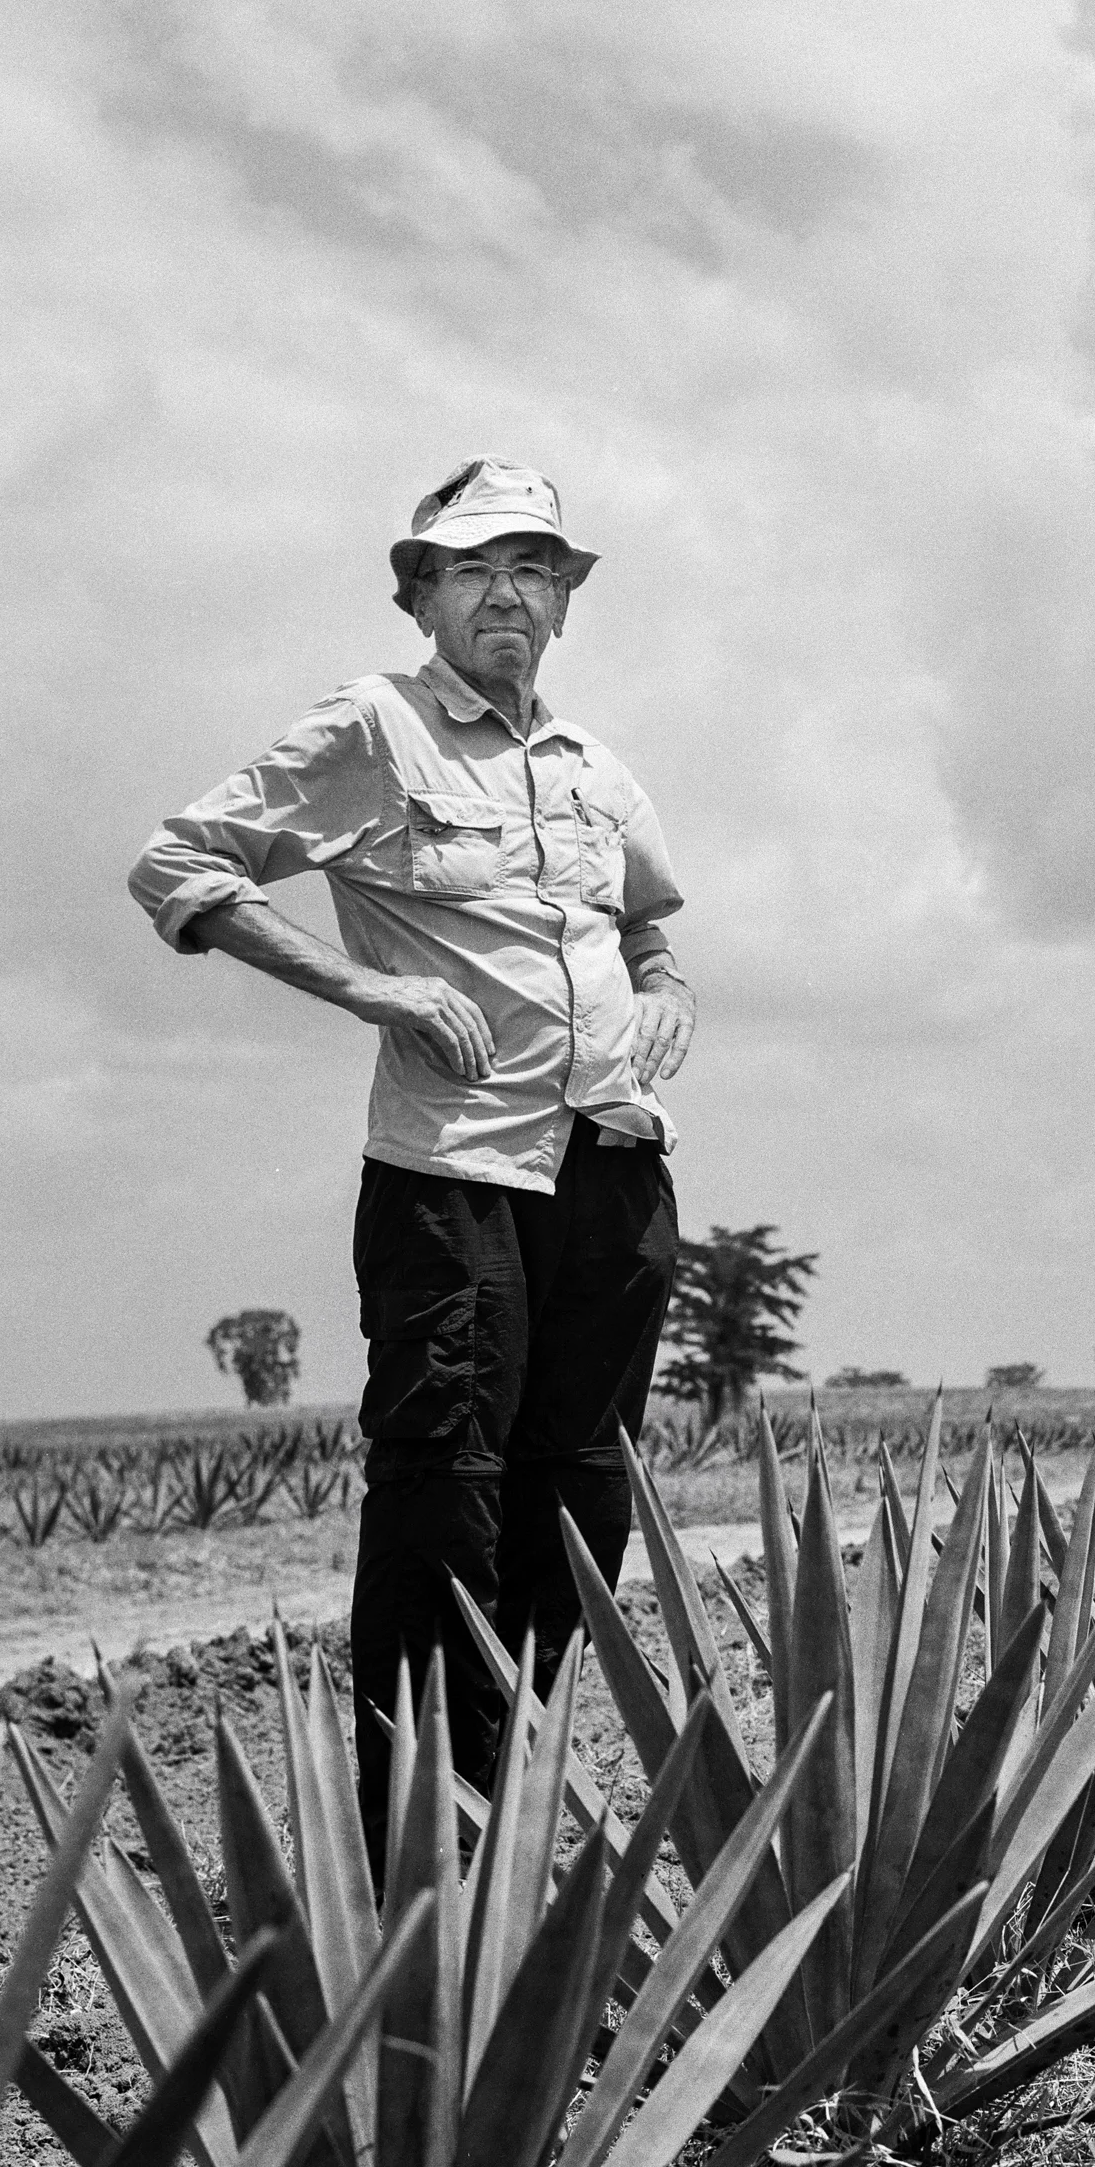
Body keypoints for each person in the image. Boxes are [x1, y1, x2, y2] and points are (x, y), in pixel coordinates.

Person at [128, 457, 693, 1873]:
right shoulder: (375, 727)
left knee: (583, 1496)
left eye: (533, 568)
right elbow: (181, 865)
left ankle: (519, 1821)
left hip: (613, 1172)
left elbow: (651, 935)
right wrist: (367, 991)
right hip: (453, 1176)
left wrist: (666, 994)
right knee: (446, 1492)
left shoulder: (592, 767)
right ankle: (409, 1867)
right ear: (423, 595)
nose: (506, 592)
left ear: (565, 598)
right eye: (472, 568)